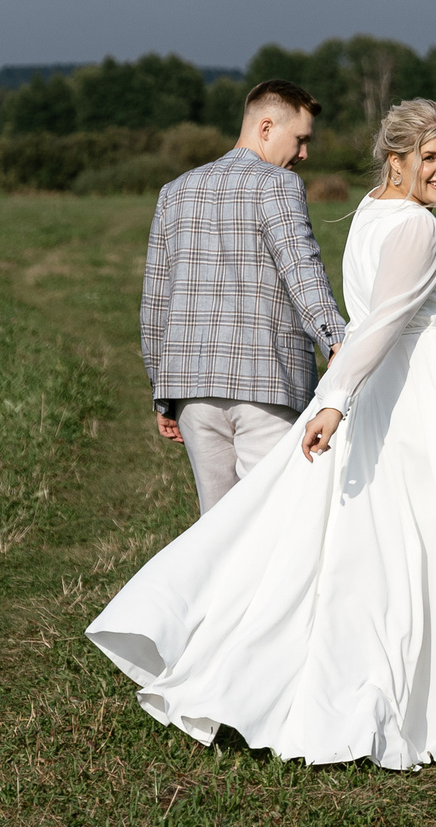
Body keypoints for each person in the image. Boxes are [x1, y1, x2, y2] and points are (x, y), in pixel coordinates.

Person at [88, 98, 436, 771]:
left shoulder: (370, 213)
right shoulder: (412, 228)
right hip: (428, 402)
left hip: (405, 396)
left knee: (355, 546)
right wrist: (332, 399)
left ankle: (426, 699)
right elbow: (381, 323)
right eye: (431, 157)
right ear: (397, 160)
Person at [139, 78, 347, 518]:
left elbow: (155, 301)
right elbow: (302, 268)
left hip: (190, 388)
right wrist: (337, 342)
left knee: (218, 529)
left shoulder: (174, 191)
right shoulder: (278, 184)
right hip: (266, 383)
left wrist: (162, 390)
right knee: (273, 525)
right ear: (266, 127)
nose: (305, 154)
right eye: (301, 139)